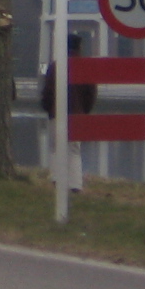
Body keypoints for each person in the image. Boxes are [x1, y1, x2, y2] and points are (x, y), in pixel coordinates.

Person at [41, 32, 97, 192]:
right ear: (79, 47)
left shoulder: (55, 66)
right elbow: (91, 94)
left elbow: (48, 92)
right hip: (77, 114)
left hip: (56, 113)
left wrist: (48, 107)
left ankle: (57, 180)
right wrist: (84, 111)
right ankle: (75, 184)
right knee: (74, 150)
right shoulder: (85, 67)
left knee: (55, 147)